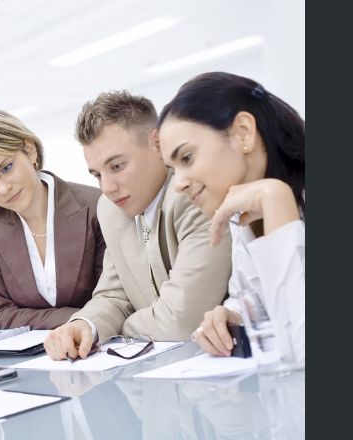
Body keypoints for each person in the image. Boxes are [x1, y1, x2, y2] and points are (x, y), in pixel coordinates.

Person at [44, 90, 232, 361]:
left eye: (117, 166)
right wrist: (86, 325)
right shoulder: (110, 209)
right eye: (97, 175)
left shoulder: (194, 195)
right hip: (162, 378)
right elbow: (113, 295)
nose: (107, 187)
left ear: (157, 144)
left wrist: (121, 329)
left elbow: (182, 321)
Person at [156, 72, 305, 369]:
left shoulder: (269, 196)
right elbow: (246, 294)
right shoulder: (242, 214)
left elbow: (300, 349)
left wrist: (275, 198)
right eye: (173, 169)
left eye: (186, 158)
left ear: (243, 133)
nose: (179, 185)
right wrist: (233, 316)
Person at [0, 108, 105, 329]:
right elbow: (1, 314)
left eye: (6, 168)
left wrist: (83, 321)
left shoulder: (94, 204)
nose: (2, 189)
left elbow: (112, 301)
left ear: (29, 150)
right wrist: (80, 317)